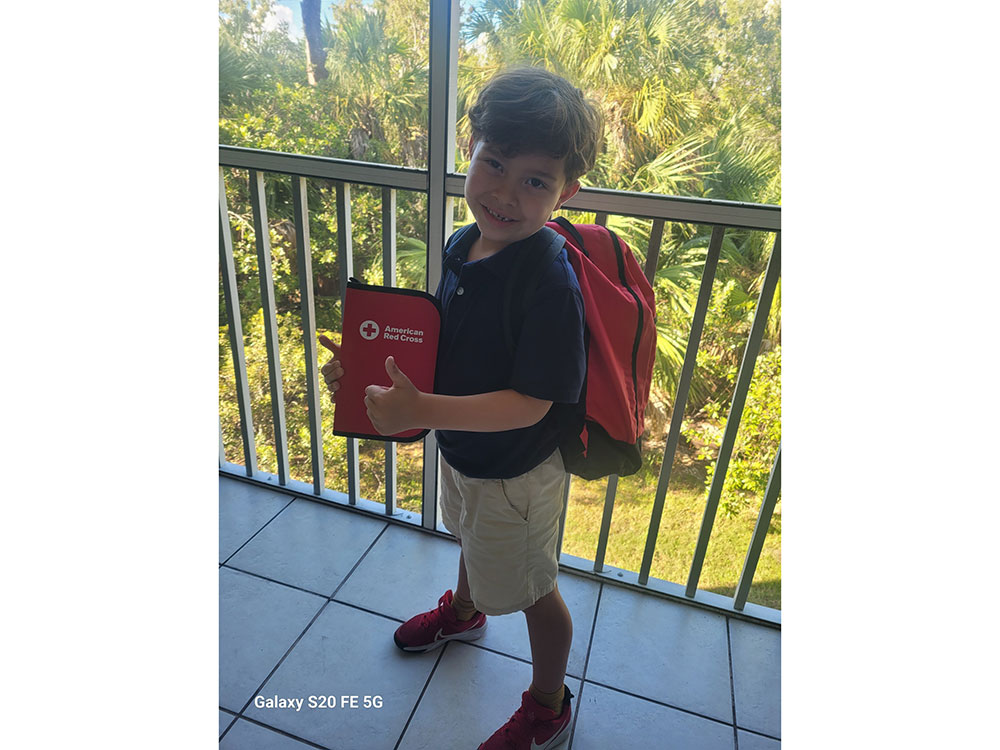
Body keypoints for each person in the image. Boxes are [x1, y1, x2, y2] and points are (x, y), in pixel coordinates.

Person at [319, 67, 604, 750]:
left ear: (566, 192)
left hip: (517, 472)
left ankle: (548, 704)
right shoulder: (461, 244)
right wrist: (369, 375)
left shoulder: (548, 280)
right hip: (468, 453)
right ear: (469, 149)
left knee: (536, 589)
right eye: (495, 164)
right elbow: (445, 344)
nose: (505, 193)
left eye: (535, 180)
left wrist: (427, 406)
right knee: (469, 540)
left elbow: (532, 404)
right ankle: (466, 612)